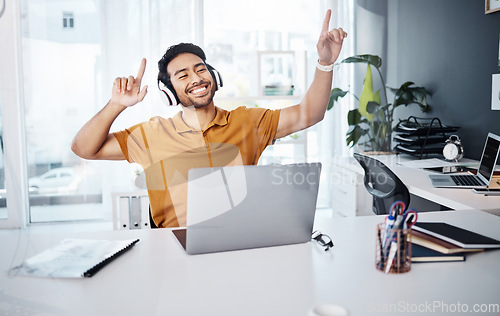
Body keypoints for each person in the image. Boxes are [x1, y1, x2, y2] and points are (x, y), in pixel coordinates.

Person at [71, 10, 347, 228]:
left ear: (212, 76)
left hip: (240, 240)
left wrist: (325, 63)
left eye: (200, 69)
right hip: (174, 251)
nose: (196, 78)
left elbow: (310, 113)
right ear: (170, 92)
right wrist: (115, 105)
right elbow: (84, 149)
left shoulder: (248, 122)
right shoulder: (150, 134)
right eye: (183, 75)